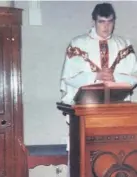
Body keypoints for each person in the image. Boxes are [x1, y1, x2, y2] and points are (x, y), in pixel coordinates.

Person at [60, 2, 137, 177]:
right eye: (102, 22)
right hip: (87, 111)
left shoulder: (123, 44)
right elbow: (68, 78)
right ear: (93, 21)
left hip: (117, 112)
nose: (106, 26)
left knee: (118, 159)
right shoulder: (78, 44)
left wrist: (115, 77)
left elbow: (134, 76)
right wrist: (96, 76)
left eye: (110, 22)